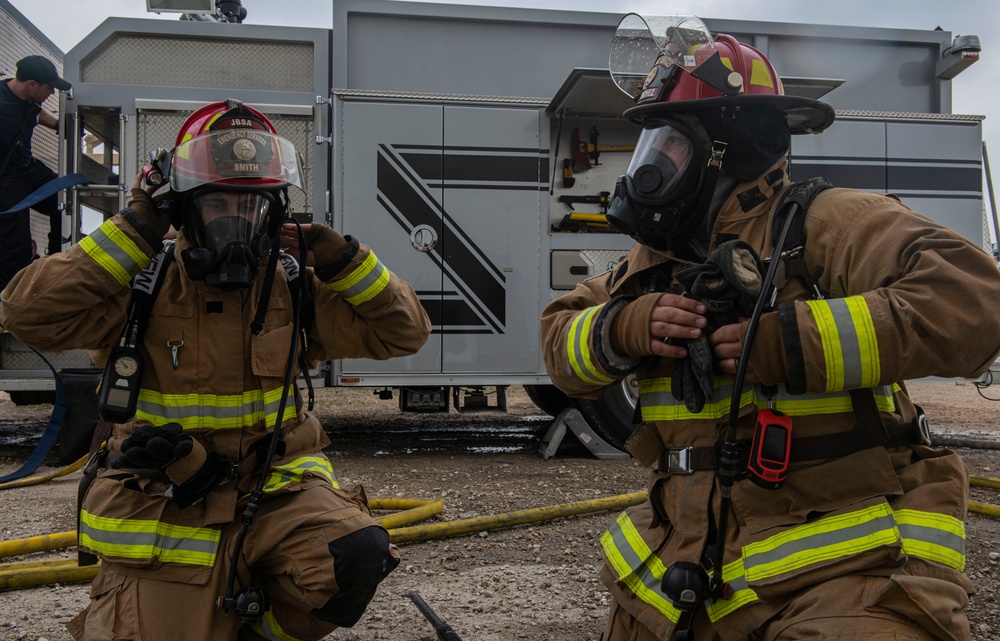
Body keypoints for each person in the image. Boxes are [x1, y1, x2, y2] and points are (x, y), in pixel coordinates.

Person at [541, 14, 1000, 641]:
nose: (649, 172)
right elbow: (557, 341)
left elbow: (977, 300)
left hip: (841, 570)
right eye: (653, 150)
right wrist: (622, 327)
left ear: (729, 146)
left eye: (670, 146)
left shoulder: (826, 222)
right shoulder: (653, 263)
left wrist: (793, 341)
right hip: (682, 569)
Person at [0, 99, 432, 640]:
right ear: (181, 209)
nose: (235, 219)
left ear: (273, 212)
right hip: (165, 502)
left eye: (249, 205)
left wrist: (346, 259)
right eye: (218, 202)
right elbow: (24, 313)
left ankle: (260, 631)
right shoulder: (142, 283)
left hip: (273, 493)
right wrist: (134, 229)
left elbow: (407, 331)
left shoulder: (292, 286)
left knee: (358, 554)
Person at [0, 54, 71, 289]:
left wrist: (58, 125)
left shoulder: (28, 97)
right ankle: (8, 309)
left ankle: (54, 265)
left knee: (64, 201)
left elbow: (34, 111)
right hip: (6, 181)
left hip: (28, 169)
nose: (51, 93)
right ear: (32, 85)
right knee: (15, 250)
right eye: (49, 88)